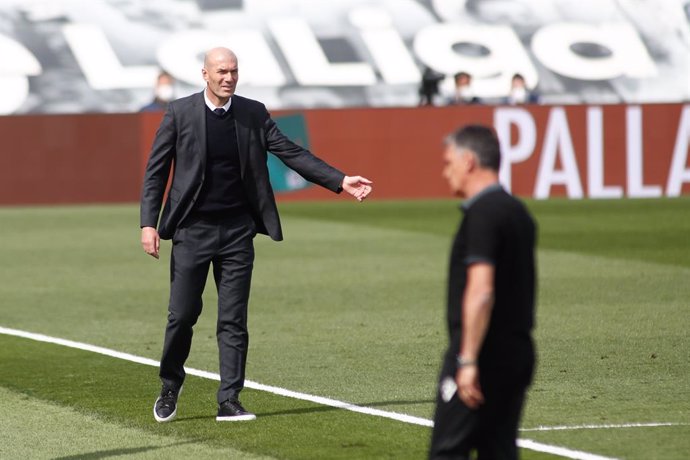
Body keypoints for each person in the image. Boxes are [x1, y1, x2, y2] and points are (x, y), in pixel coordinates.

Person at [140, 47, 373, 423]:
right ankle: (170, 384)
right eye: (221, 71)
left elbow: (292, 153)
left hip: (237, 232)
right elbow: (156, 171)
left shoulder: (252, 113)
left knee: (233, 319)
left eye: (233, 71)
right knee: (182, 315)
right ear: (205, 74)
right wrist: (148, 224)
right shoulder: (179, 113)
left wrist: (340, 180)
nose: (228, 77)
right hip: (191, 230)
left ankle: (229, 399)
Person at [429, 125, 536, 459]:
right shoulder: (517, 211)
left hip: (482, 355)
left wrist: (468, 360)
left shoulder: (483, 214)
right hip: (517, 354)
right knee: (499, 451)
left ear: (469, 161)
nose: (446, 172)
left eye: (449, 163)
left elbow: (481, 291)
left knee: (448, 452)